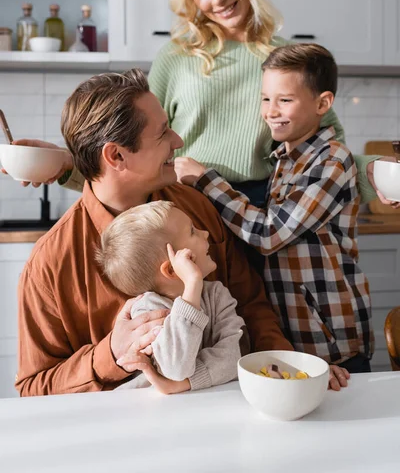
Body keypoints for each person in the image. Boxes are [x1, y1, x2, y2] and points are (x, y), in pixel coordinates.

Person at [15, 68, 303, 397]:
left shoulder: (196, 207)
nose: (178, 141)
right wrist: (109, 355)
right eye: (163, 132)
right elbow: (33, 389)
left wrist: (288, 371)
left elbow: (251, 305)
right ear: (116, 155)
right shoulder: (51, 264)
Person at [147, 0, 386, 208]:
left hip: (260, 207)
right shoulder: (174, 57)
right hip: (186, 203)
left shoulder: (285, 56)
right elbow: (141, 141)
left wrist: (370, 169)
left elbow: (325, 147)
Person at [174, 44, 374, 373]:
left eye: (285, 100)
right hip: (294, 336)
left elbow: (270, 232)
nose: (271, 111)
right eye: (266, 99)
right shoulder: (283, 160)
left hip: (331, 339)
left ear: (322, 103)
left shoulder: (332, 160)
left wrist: (206, 180)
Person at [98, 200, 247, 394]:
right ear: (171, 269)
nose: (206, 233)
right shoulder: (147, 310)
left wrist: (185, 384)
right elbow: (176, 368)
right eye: (192, 231)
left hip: (209, 403)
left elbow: (235, 356)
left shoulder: (217, 295)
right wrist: (192, 285)